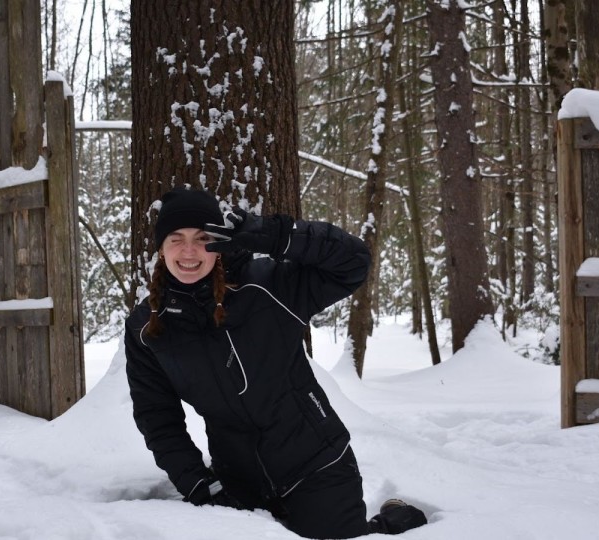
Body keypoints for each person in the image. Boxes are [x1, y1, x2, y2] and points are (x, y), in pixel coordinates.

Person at [124, 187, 426, 539]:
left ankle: (396, 520)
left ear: (219, 242)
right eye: (176, 239)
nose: (189, 251)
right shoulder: (147, 327)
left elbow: (353, 262)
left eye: (202, 238)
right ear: (161, 248)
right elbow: (157, 417)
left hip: (317, 465)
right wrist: (197, 483)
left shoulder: (266, 285)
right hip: (239, 482)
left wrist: (275, 235)